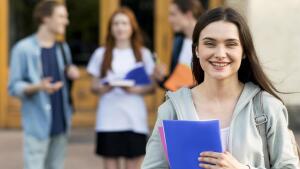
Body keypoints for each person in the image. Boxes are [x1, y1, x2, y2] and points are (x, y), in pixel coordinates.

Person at [142, 7, 299, 169]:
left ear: (244, 52)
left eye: (231, 44)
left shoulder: (267, 108)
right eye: (210, 44)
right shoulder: (171, 109)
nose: (220, 53)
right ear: (196, 50)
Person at [8, 1, 80, 169]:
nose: (66, 21)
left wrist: (72, 72)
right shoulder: (23, 49)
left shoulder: (63, 48)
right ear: (46, 18)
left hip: (61, 124)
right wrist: (37, 87)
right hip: (37, 125)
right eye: (61, 16)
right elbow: (13, 87)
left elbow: (66, 76)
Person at [87, 7, 155, 169]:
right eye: (116, 23)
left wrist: (135, 90)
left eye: (124, 23)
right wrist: (104, 88)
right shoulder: (101, 53)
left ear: (132, 27)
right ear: (110, 28)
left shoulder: (143, 53)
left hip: (134, 120)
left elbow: (151, 86)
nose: (120, 27)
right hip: (108, 119)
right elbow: (93, 85)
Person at [154, 0, 204, 91]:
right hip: (179, 101)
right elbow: (174, 85)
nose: (169, 19)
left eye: (173, 14)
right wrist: (161, 78)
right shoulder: (178, 42)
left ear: (188, 14)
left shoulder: (208, 42)